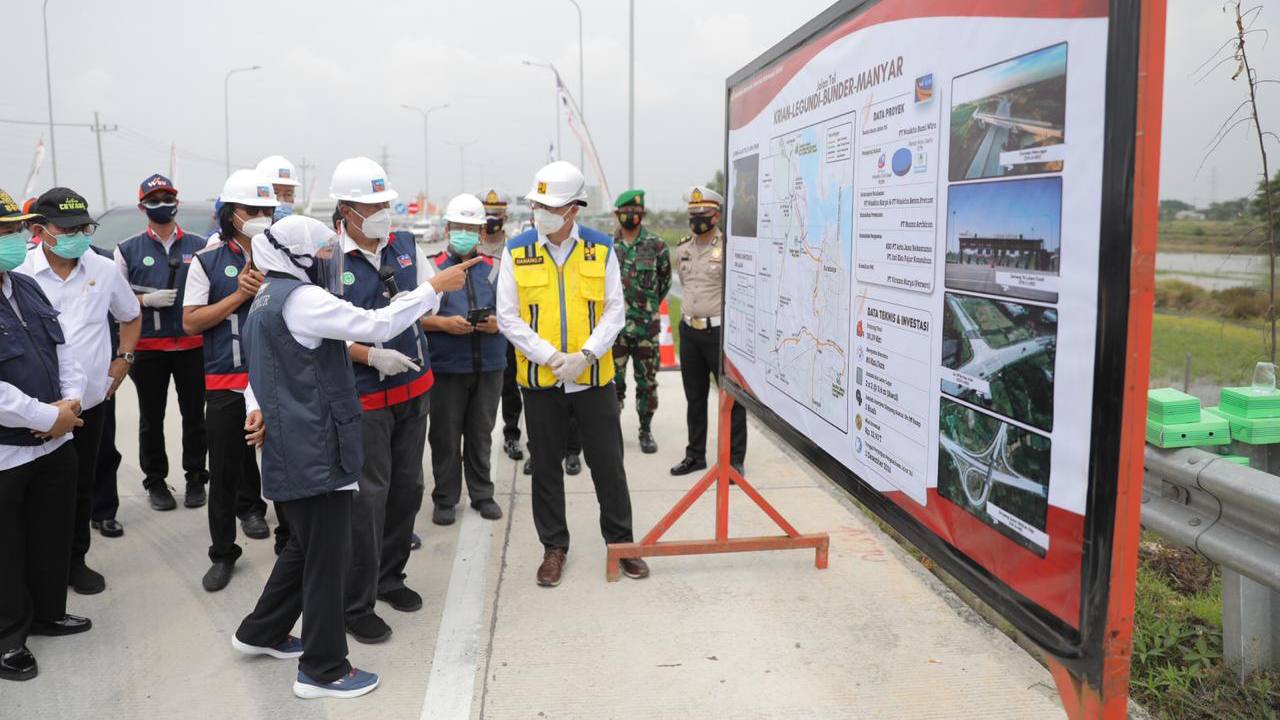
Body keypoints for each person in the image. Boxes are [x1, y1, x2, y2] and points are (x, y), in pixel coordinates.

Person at [231, 215, 479, 699]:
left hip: (293, 448)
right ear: (296, 257)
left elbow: (262, 368)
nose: (329, 261)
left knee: (304, 547)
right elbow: (378, 323)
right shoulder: (303, 299)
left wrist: (256, 406)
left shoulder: (267, 297)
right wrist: (432, 288)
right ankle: (322, 669)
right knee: (327, 559)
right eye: (322, 255)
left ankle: (260, 630)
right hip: (316, 451)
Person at [496, 161, 648, 587]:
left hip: (593, 378)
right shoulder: (517, 250)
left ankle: (621, 544)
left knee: (608, 465)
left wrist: (585, 354)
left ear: (573, 209)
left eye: (549, 204)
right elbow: (508, 317)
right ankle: (554, 548)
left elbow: (615, 309)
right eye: (536, 203)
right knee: (545, 467)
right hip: (541, 382)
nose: (539, 211)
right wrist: (548, 356)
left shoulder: (601, 249)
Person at [331, 157, 434, 644]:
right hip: (366, 395)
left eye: (386, 203)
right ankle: (356, 601)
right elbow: (321, 332)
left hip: (414, 387)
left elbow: (428, 297)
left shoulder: (406, 244)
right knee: (368, 500)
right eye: (373, 205)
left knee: (407, 488)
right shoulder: (328, 260)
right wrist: (368, 354)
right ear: (347, 210)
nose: (383, 213)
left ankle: (391, 576)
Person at [19, 188, 141, 596]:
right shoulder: (20, 271)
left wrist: (123, 360)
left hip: (90, 402)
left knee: (81, 484)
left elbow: (131, 315)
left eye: (84, 227)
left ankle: (75, 561)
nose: (78, 234)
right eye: (67, 228)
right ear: (40, 230)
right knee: (35, 491)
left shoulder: (103, 269)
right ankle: (36, 568)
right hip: (35, 408)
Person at [0, 188, 89, 682]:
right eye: (4, 231)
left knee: (50, 536)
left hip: (55, 441)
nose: (13, 238)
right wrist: (42, 414)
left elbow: (64, 349)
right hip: (7, 451)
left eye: (14, 229)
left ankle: (48, 613)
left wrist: (70, 402)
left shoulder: (25, 286)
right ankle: (9, 637)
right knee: (6, 548)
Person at [182, 169, 278, 592]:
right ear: (230, 215)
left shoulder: (285, 255)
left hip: (277, 379)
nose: (261, 216)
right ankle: (223, 553)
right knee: (222, 473)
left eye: (267, 210)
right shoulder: (207, 260)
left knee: (287, 463)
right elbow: (190, 322)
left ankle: (292, 543)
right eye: (251, 210)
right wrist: (239, 295)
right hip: (226, 382)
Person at [114, 173, 209, 511]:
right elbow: (115, 301)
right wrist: (144, 301)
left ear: (177, 203)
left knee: (194, 415)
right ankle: (155, 481)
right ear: (143, 207)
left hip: (193, 347)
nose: (162, 205)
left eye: (168, 198)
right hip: (149, 349)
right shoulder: (127, 250)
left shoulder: (200, 245)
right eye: (154, 200)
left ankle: (196, 476)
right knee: (151, 418)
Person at [421, 194, 505, 526]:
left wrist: (498, 323)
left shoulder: (496, 267)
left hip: (489, 364)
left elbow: (513, 312)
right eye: (460, 227)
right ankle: (445, 497)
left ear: (482, 231)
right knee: (444, 434)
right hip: (446, 366)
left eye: (472, 227)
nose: (465, 233)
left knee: (481, 432)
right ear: (448, 228)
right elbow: (411, 314)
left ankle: (482, 494)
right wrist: (442, 324)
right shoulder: (431, 266)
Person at [670, 186, 747, 477]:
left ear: (715, 216)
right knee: (695, 397)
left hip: (719, 334)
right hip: (689, 331)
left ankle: (734, 461)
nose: (696, 219)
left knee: (731, 398)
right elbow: (687, 284)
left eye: (702, 214)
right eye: (692, 214)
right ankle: (695, 455)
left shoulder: (729, 248)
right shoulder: (683, 248)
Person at [610, 189, 672, 454]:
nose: (631, 217)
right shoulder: (607, 247)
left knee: (647, 383)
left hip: (646, 328)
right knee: (613, 384)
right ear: (617, 215)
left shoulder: (656, 245)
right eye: (626, 213)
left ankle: (645, 431)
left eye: (635, 213)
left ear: (642, 215)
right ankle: (612, 432)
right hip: (614, 331)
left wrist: (644, 309)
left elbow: (665, 283)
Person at [483, 190, 525, 463]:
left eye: (496, 214)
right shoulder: (472, 249)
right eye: (487, 214)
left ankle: (511, 435)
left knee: (512, 385)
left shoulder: (515, 250)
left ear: (505, 216)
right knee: (485, 390)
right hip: (481, 331)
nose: (491, 219)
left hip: (510, 328)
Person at [256, 155, 301, 222]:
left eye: (288, 194)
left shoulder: (299, 230)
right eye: (275, 193)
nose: (281, 201)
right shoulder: (247, 229)